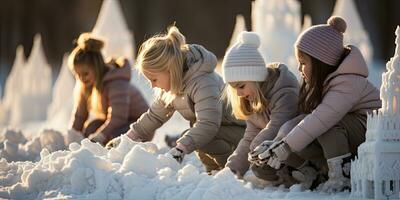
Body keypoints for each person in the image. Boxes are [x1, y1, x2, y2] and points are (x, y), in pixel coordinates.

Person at [256, 16, 381, 192]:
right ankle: (317, 171)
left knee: (324, 126)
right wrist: (278, 142)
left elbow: (322, 118)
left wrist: (287, 145)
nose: (299, 69)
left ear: (321, 62)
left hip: (370, 133)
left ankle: (342, 176)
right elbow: (303, 120)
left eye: (303, 63)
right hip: (347, 133)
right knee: (304, 133)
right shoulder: (322, 84)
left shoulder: (348, 82)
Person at [107, 26, 246, 173]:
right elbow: (154, 116)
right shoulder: (173, 84)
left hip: (243, 133)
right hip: (220, 131)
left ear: (169, 70)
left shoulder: (203, 82)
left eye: (154, 79)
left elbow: (209, 124)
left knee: (195, 136)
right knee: (192, 135)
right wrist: (127, 139)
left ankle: (232, 169)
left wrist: (180, 149)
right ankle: (214, 171)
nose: (152, 85)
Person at [68, 33, 148, 145]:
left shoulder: (116, 83)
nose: (81, 78)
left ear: (96, 68)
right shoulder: (86, 85)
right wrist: (72, 136)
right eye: (77, 74)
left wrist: (100, 136)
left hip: (140, 126)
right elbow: (80, 115)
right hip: (121, 123)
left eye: (85, 73)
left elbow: (118, 117)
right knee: (91, 128)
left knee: (111, 138)